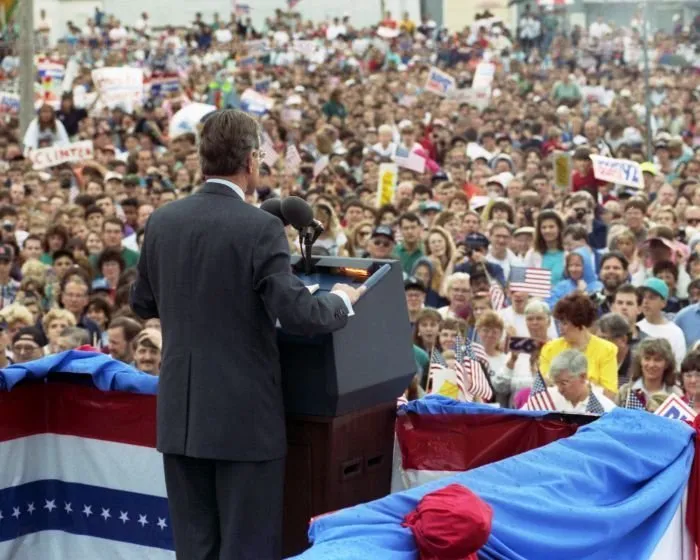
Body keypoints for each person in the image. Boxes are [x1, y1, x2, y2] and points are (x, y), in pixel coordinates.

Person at [130, 109, 363, 560]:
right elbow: (301, 314)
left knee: (195, 549)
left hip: (181, 417)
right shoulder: (260, 227)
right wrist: (343, 300)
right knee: (246, 549)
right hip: (244, 422)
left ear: (202, 161)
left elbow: (142, 303)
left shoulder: (163, 221)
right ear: (252, 161)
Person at [540, 293, 618, 397]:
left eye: (565, 323)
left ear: (579, 323)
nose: (560, 327)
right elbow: (543, 385)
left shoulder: (607, 350)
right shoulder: (549, 348)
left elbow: (610, 393)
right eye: (559, 322)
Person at [547, 349, 616, 413]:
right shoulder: (548, 398)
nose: (560, 390)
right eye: (556, 383)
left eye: (564, 383)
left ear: (583, 377)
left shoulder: (605, 408)